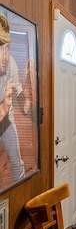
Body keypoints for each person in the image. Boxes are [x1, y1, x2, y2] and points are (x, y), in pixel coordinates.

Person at [0, 13, 36, 182]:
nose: (5, 54)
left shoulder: (11, 64)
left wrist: (35, 111)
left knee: (17, 162)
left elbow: (22, 100)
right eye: (1, 48)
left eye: (7, 47)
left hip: (7, 123)